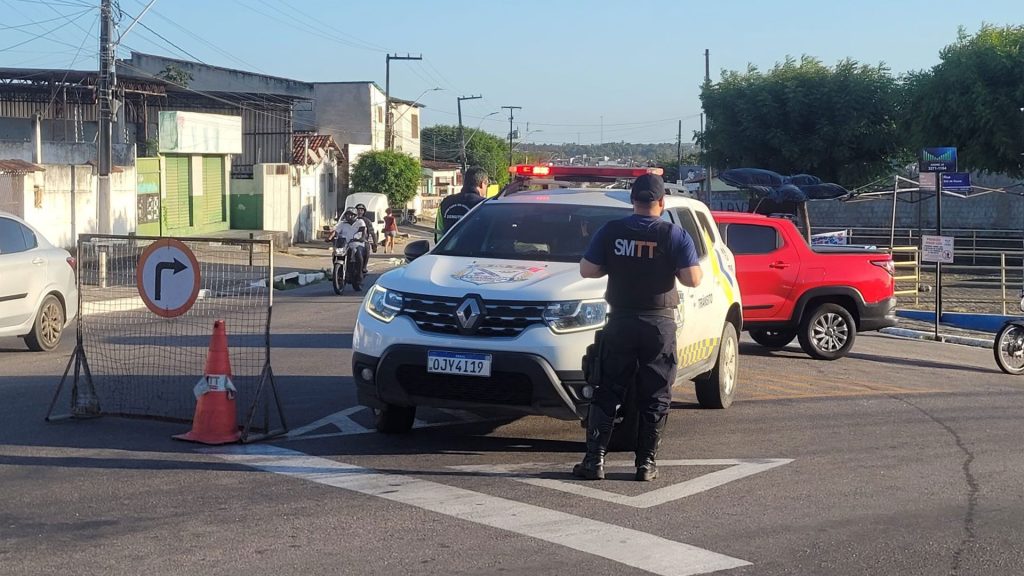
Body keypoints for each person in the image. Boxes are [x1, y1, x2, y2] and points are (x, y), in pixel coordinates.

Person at [575, 173, 703, 482]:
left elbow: (587, 269)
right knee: (656, 395)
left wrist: (614, 265)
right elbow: (693, 279)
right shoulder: (674, 235)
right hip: (659, 324)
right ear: (662, 202)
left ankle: (595, 461)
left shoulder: (611, 231)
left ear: (633, 201)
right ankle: (646, 464)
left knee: (606, 390)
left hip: (620, 320)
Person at [435, 166, 488, 243]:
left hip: (447, 252)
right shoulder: (484, 205)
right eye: (487, 185)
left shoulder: (445, 203)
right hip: (476, 253)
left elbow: (438, 235)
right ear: (482, 184)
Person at [354, 203, 378, 274]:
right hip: (351, 241)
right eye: (358, 210)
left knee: (367, 248)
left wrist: (375, 244)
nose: (360, 212)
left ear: (364, 212)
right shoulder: (351, 219)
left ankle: (364, 266)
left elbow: (372, 233)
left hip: (363, 241)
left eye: (362, 210)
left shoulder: (367, 221)